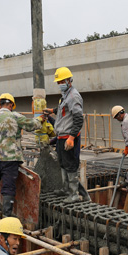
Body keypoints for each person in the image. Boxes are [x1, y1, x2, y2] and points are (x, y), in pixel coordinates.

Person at [0, 93, 43, 218]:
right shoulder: (14, 116)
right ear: (11, 105)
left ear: (0, 104)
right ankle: (6, 216)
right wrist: (40, 119)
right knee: (9, 185)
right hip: (10, 158)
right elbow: (31, 125)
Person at [48, 66, 84, 202]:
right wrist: (51, 110)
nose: (59, 85)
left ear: (69, 80)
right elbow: (64, 110)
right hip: (61, 137)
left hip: (69, 137)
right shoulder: (66, 96)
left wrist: (72, 137)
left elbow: (78, 118)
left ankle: (74, 194)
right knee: (63, 163)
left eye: (61, 82)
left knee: (70, 165)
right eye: (58, 82)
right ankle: (66, 189)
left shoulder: (74, 96)